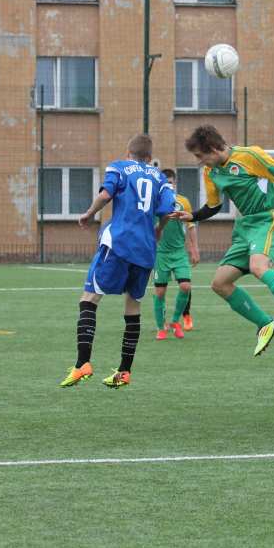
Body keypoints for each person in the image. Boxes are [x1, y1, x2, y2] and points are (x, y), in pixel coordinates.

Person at [171, 125, 274, 356]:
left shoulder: (249, 155)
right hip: (245, 227)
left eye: (201, 156)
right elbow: (214, 206)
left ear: (213, 148)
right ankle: (265, 323)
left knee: (258, 266)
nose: (200, 162)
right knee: (220, 283)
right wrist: (193, 216)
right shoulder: (211, 173)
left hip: (267, 220)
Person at [59, 134, 175, 389]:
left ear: (128, 152)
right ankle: (124, 371)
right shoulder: (161, 179)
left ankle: (82, 364)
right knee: (132, 308)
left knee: (88, 299)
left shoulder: (119, 167)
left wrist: (89, 213)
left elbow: (105, 194)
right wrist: (159, 229)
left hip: (120, 244)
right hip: (146, 251)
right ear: (149, 157)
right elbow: (168, 210)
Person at [152, 169, 200, 340]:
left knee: (186, 287)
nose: (170, 185)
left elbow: (191, 225)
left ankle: (174, 321)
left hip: (179, 252)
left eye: (172, 182)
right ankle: (161, 326)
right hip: (161, 253)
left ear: (175, 183)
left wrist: (194, 249)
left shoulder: (182, 201)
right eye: (167, 182)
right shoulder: (154, 201)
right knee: (160, 292)